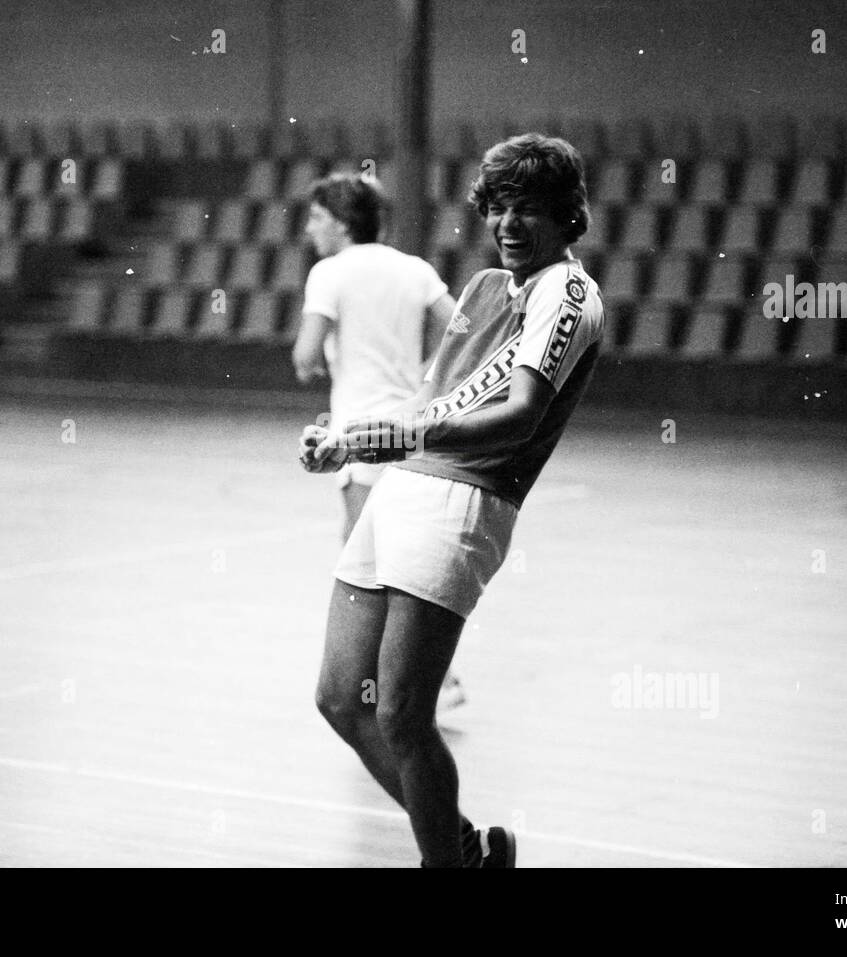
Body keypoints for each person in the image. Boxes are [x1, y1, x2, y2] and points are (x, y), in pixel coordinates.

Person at [298, 134, 606, 867]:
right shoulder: (481, 288)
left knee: (403, 712)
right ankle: (463, 849)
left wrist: (405, 431)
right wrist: (343, 440)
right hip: (401, 487)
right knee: (343, 697)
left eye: (528, 209)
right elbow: (426, 396)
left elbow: (521, 412)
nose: (507, 224)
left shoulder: (569, 294)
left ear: (567, 218)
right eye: (498, 208)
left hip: (465, 502)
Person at [290, 172, 467, 713]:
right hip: (414, 435)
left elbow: (304, 356)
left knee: (373, 565)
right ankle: (400, 679)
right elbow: (462, 327)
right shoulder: (414, 269)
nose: (310, 228)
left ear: (342, 222)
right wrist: (426, 373)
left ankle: (427, 681)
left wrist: (321, 362)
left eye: (318, 217)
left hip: (360, 439)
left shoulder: (329, 273)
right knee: (388, 555)